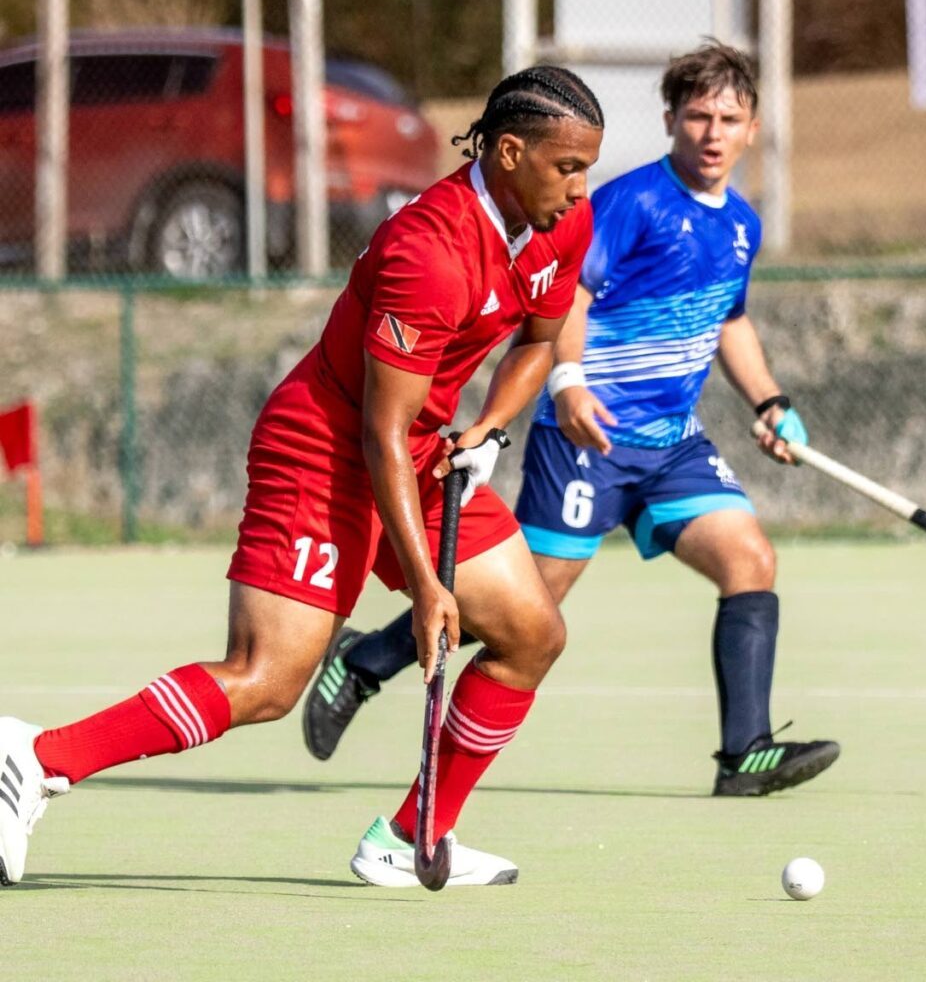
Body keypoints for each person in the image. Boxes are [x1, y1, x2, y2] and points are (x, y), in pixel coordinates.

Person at [0, 66, 604, 889]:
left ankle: (410, 834)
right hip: (322, 453)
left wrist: (491, 426)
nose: (579, 190)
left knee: (533, 634)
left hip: (422, 455)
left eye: (586, 170)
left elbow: (539, 339)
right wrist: (427, 588)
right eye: (567, 168)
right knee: (266, 679)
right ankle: (34, 760)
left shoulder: (557, 222)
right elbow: (378, 431)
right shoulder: (426, 253)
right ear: (508, 151)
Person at [303, 42, 840, 798]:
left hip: (669, 444)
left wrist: (770, 401)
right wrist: (568, 383)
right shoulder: (629, 203)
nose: (712, 133)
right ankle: (366, 661)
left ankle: (744, 755)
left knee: (749, 559)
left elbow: (731, 323)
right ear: (670, 121)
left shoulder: (741, 225)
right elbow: (568, 301)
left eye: (729, 118)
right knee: (526, 612)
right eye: (697, 116)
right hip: (585, 439)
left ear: (753, 129)